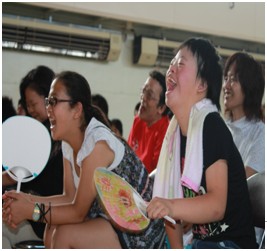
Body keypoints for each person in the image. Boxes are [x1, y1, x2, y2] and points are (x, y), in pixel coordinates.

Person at [3, 71, 165, 249]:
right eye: (48, 101)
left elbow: (77, 213)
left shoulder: (97, 145)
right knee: (52, 227)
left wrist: (30, 211)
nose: (48, 107)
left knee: (64, 235)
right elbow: (69, 197)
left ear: (77, 109)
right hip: (109, 221)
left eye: (54, 101)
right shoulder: (68, 143)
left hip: (139, 232)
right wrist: (26, 200)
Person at [146, 37, 257, 249]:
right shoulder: (176, 135)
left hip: (229, 243)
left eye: (180, 64)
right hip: (202, 243)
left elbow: (216, 206)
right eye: (172, 63)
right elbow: (172, 210)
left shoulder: (211, 126)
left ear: (202, 84)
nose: (171, 68)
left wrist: (170, 206)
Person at [2, 66, 64, 248]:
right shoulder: (40, 133)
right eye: (27, 105)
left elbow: (67, 210)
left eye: (33, 104)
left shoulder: (62, 140)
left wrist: (30, 211)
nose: (30, 110)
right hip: (36, 215)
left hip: (42, 220)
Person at [222, 52, 265, 178]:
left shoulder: (260, 134)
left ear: (249, 87)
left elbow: (244, 182)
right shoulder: (222, 128)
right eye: (226, 78)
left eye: (234, 79)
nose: (226, 86)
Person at [128, 70, 170, 174]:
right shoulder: (138, 121)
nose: (143, 98)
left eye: (149, 96)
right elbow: (128, 157)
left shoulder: (166, 132)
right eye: (143, 91)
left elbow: (157, 174)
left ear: (161, 108)